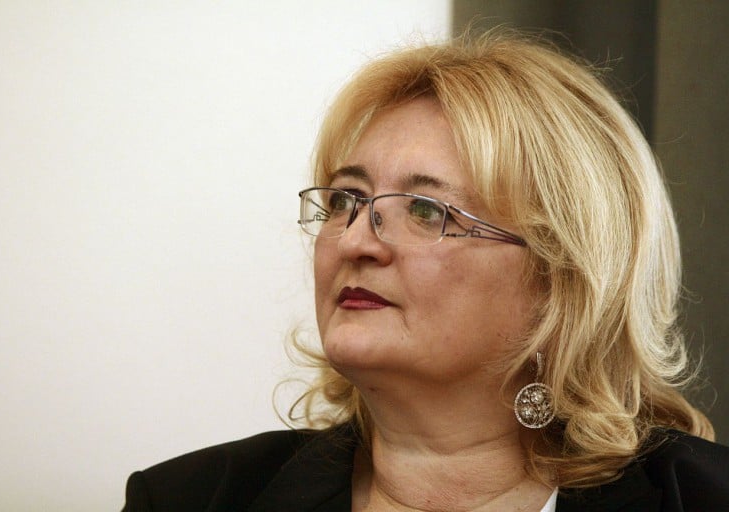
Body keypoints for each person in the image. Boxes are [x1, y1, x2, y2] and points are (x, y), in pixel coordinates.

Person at [121, 28, 729, 512]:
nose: (355, 240)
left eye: (425, 210)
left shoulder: (701, 497)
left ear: (561, 275)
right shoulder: (189, 498)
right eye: (345, 199)